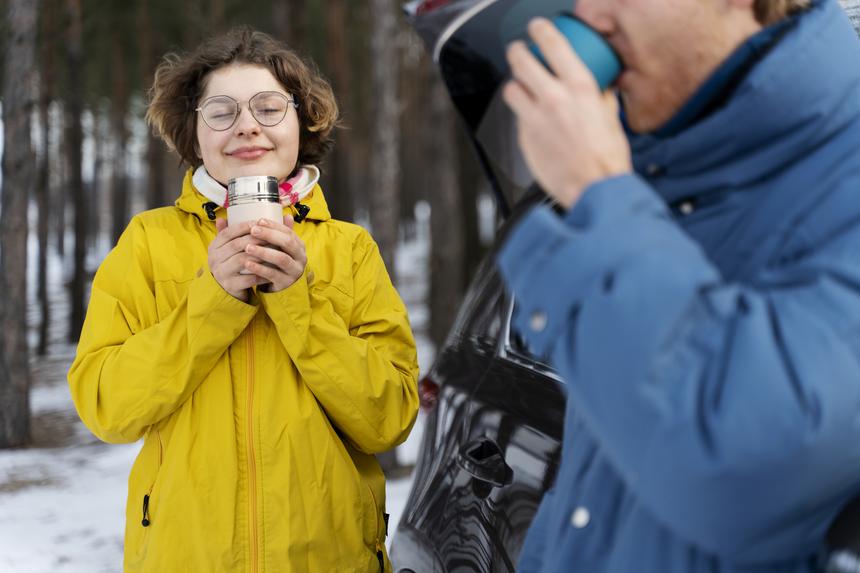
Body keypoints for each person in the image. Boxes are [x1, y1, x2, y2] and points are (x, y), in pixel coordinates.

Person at [496, 0, 860, 571]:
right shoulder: (667, 175)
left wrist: (599, 190)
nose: (591, 16)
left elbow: (741, 465)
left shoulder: (841, 171)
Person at [67, 27, 419, 573]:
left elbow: (390, 418)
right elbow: (106, 408)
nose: (247, 125)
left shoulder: (350, 249)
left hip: (330, 558)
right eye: (221, 111)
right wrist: (214, 300)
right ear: (195, 131)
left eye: (269, 107)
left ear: (302, 122)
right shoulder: (148, 242)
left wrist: (298, 304)